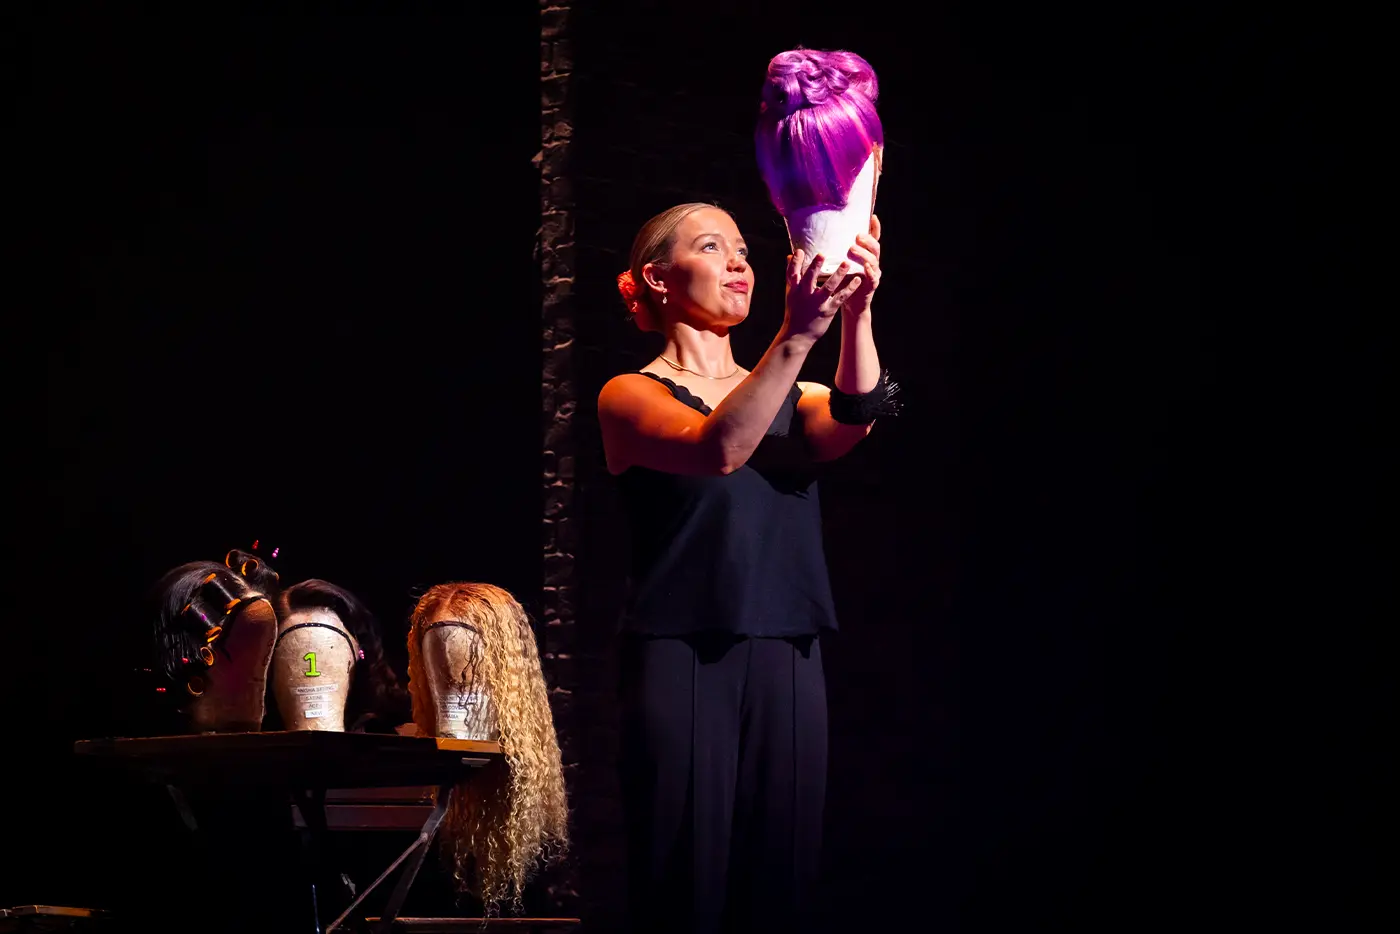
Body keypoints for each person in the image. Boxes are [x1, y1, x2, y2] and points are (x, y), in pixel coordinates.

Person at [597, 193, 897, 933]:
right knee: (685, 880)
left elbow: (857, 418)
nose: (737, 261)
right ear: (657, 279)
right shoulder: (629, 395)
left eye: (742, 250)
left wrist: (857, 310)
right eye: (710, 247)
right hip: (685, 651)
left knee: (781, 879)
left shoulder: (798, 397)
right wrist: (796, 335)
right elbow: (720, 446)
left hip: (789, 646)